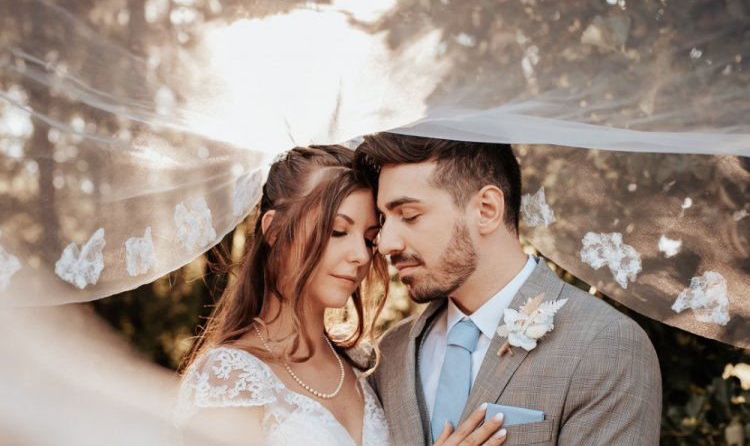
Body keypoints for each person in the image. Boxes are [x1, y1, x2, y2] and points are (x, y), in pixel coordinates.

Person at [175, 145, 506, 446]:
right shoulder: (229, 378)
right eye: (337, 231)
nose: (361, 256)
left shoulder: (370, 369)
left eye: (368, 239)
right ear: (275, 231)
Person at [354, 133, 662, 446]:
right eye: (383, 220)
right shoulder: (390, 353)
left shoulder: (604, 345)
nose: (387, 243)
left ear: (486, 209)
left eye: (409, 215)